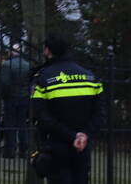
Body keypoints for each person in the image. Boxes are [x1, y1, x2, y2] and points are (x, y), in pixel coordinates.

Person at [30, 33, 104, 184]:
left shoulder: (44, 77)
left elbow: (40, 115)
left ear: (47, 51)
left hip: (56, 144)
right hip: (83, 145)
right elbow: (100, 113)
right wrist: (84, 135)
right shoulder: (90, 76)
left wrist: (71, 135)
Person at [0, 43, 31, 159]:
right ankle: (23, 149)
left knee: (10, 124)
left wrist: (5, 95)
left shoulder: (7, 65)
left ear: (11, 52)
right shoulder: (27, 65)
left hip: (11, 97)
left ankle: (10, 150)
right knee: (22, 123)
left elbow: (5, 83)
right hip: (24, 97)